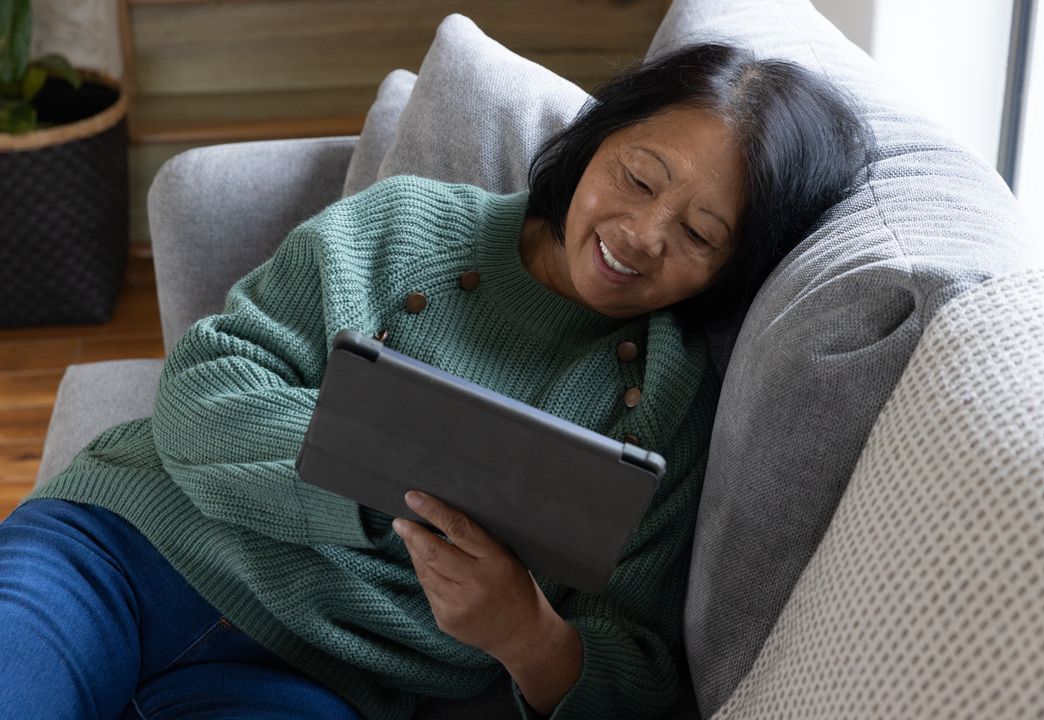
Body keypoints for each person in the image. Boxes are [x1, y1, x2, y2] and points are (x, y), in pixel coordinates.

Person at [0, 43, 868, 720]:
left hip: (316, 681)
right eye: (637, 177)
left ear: (731, 269)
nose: (642, 235)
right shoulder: (410, 225)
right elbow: (203, 392)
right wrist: (390, 492)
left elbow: (637, 668)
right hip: (119, 552)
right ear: (599, 138)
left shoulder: (669, 407)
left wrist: (529, 638)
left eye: (699, 234)